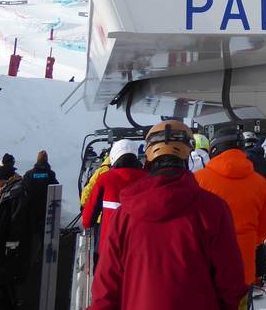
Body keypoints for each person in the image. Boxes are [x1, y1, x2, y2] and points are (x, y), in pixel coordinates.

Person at [91, 120, 247, 310]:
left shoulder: (123, 215)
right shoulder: (213, 209)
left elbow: (105, 291)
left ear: (148, 157)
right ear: (188, 156)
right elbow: (231, 282)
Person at [196, 127, 266, 306]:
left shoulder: (198, 180)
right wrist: (247, 241)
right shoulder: (259, 183)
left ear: (214, 149)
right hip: (243, 271)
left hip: (207, 271)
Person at [81, 139, 147, 252]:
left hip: (109, 249)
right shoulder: (148, 179)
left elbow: (87, 220)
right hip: (139, 248)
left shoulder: (105, 179)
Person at [0, 163, 31, 309]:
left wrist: (11, 243)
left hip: (11, 244)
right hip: (7, 241)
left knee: (9, 279)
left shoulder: (15, 193)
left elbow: (16, 220)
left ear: (4, 180)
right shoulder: (8, 191)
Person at [243, 131, 266, 296]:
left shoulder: (244, 159)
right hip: (260, 202)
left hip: (245, 202)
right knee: (258, 241)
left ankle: (251, 277)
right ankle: (261, 275)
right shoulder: (263, 160)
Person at [23, 150, 59, 237]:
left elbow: (24, 188)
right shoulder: (51, 174)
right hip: (47, 209)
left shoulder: (29, 174)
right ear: (47, 159)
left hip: (31, 209)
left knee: (31, 234)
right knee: (45, 235)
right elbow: (56, 188)